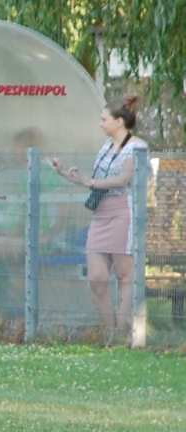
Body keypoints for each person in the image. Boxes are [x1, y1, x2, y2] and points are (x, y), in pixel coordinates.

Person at [51, 96, 147, 343]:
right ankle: (110, 329)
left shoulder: (137, 147)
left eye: (104, 119)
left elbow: (123, 179)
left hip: (123, 212)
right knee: (97, 277)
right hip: (100, 213)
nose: (100, 124)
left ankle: (123, 331)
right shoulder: (105, 147)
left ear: (119, 121)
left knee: (126, 275)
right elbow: (93, 180)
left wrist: (88, 181)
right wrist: (66, 173)